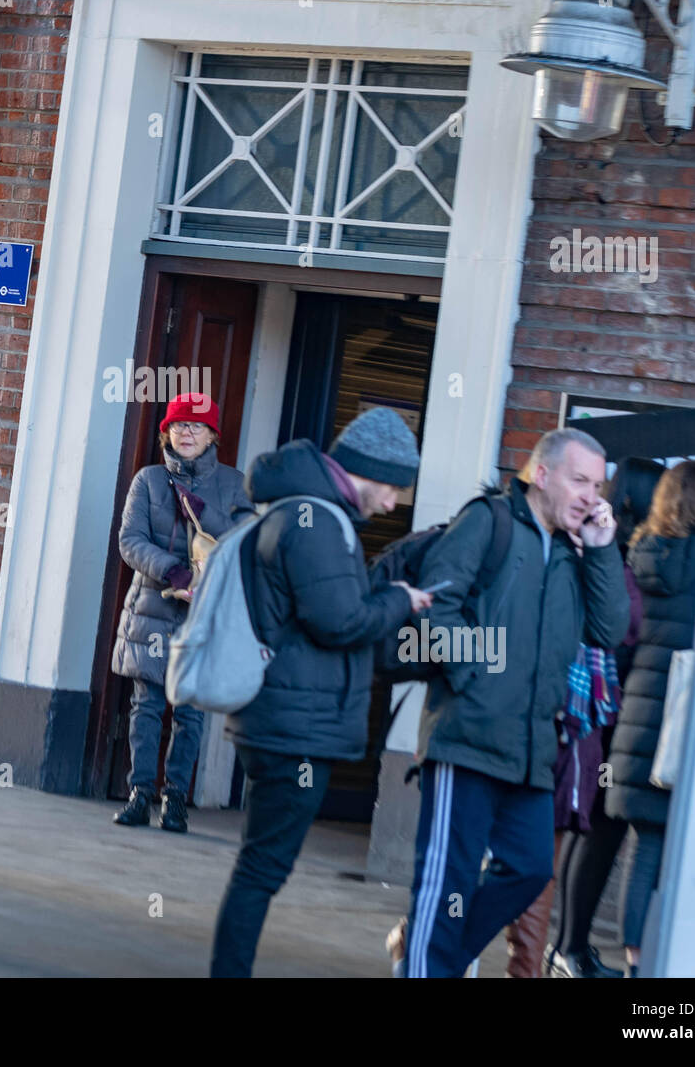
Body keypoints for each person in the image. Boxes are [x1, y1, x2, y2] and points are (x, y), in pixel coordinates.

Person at [399, 427, 629, 979]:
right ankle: (429, 966)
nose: (591, 496)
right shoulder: (489, 521)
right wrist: (475, 677)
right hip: (467, 739)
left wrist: (602, 553)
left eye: (598, 486)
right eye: (580, 481)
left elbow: (607, 629)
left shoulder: (577, 553)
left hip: (532, 754)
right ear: (542, 474)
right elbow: (435, 606)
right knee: (446, 881)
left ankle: (434, 961)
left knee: (527, 870)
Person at [210, 409, 433, 977]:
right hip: (294, 726)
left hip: (282, 718)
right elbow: (338, 621)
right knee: (262, 869)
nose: (393, 505)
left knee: (260, 865)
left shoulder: (303, 511)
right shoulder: (316, 520)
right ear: (368, 471)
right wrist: (401, 600)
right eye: (393, 488)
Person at [112, 393, 254, 832]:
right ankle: (140, 794)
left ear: (212, 435)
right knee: (148, 706)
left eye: (196, 426)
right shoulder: (149, 480)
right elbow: (130, 541)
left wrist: (204, 516)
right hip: (153, 608)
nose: (187, 433)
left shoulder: (234, 484)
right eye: (179, 426)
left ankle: (176, 800)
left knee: (190, 712)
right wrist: (174, 572)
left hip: (204, 614)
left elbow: (248, 543)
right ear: (167, 433)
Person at [546, 456, 664, 979]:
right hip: (611, 715)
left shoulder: (606, 549)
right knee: (599, 834)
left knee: (586, 832)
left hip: (597, 714)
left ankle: (569, 948)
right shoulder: (633, 556)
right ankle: (570, 951)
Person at [605, 460, 695, 977]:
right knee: (686, 849)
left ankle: (635, 961)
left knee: (645, 844)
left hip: (641, 721)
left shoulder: (639, 558)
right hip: (693, 725)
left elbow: (621, 644)